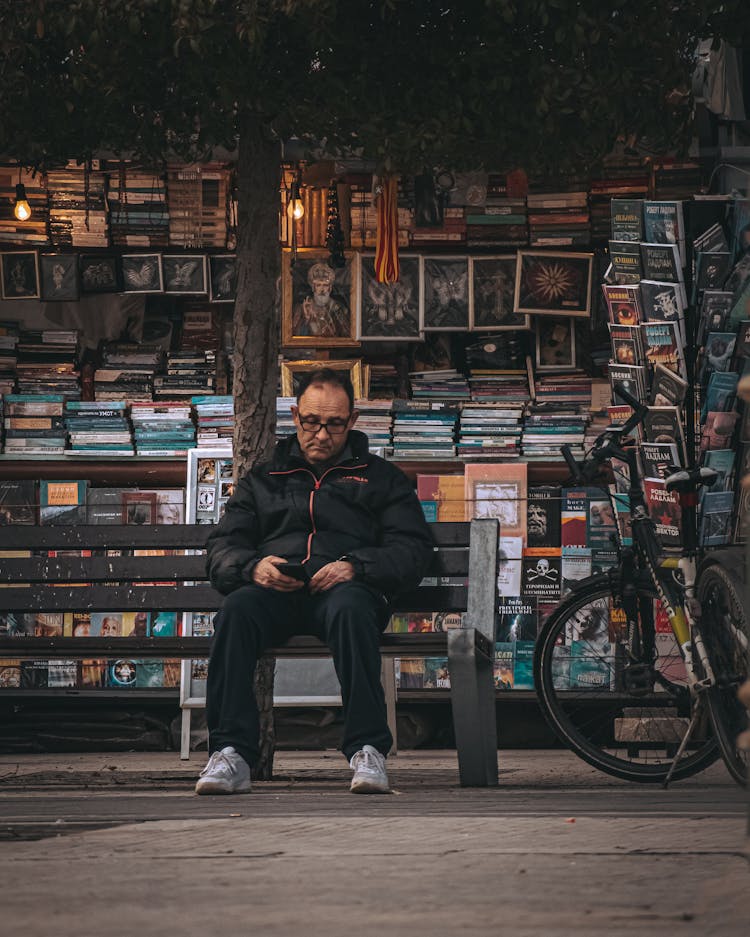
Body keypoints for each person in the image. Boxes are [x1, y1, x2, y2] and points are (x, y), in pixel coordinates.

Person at [196, 368, 433, 796]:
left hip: (345, 592)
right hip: (275, 595)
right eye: (311, 422)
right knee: (236, 612)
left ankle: (367, 749)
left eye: (335, 424)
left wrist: (356, 567)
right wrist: (252, 568)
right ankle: (231, 752)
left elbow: (413, 550)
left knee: (351, 610)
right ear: (294, 414)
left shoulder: (382, 479)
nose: (321, 434)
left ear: (353, 420)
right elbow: (221, 549)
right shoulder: (262, 480)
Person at [291, 263, 350, 337]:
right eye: (318, 285)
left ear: (330, 288)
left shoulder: (338, 308)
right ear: (313, 287)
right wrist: (307, 319)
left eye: (325, 285)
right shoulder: (302, 308)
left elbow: (346, 335)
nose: (322, 290)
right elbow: (295, 336)